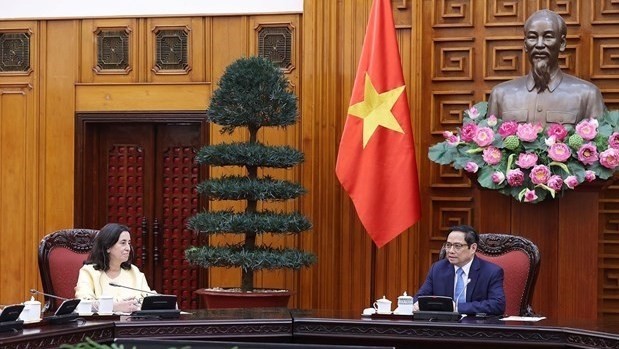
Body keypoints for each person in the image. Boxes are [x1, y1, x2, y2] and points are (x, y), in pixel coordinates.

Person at [487, 9, 605, 125]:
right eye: (532, 37)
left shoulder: (588, 95)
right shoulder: (501, 94)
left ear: (562, 43)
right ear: (525, 44)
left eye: (548, 37)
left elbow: (601, 141)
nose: (539, 45)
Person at [413, 225, 505, 315]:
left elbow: (497, 305)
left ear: (473, 248)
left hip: (476, 326)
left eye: (457, 246)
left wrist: (457, 307)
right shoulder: (437, 269)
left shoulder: (491, 272)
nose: (451, 251)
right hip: (443, 326)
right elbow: (420, 298)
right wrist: (418, 304)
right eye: (448, 245)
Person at [75, 223, 152, 313]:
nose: (128, 248)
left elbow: (150, 299)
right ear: (108, 247)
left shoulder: (133, 271)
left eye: (129, 243)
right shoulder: (89, 272)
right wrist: (114, 307)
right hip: (103, 325)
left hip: (133, 324)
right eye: (123, 243)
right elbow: (82, 304)